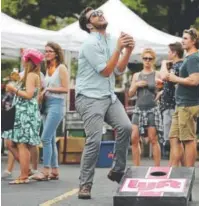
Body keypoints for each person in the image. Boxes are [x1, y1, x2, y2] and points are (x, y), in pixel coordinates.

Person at [76, 7, 134, 199]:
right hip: (89, 97)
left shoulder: (110, 39)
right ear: (89, 24)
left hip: (108, 96)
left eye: (100, 12)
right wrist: (119, 48)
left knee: (126, 127)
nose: (99, 14)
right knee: (94, 140)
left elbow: (118, 70)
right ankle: (85, 184)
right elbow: (105, 72)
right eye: (94, 15)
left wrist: (128, 50)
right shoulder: (89, 44)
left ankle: (117, 170)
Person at [161, 28, 199, 167]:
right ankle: (173, 171)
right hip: (181, 104)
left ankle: (188, 173)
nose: (182, 40)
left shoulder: (193, 58)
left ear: (194, 41)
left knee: (188, 140)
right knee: (173, 137)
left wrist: (175, 78)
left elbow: (194, 80)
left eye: (185, 38)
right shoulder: (189, 58)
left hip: (188, 104)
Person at [4, 48, 44, 184]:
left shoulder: (32, 76)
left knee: (22, 144)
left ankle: (23, 175)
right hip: (23, 112)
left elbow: (29, 95)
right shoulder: (31, 75)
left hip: (25, 113)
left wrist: (13, 89)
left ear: (28, 61)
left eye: (24, 58)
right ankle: (26, 171)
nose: (22, 60)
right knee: (14, 143)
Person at [32, 42, 69, 181]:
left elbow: (66, 89)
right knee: (51, 139)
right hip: (46, 104)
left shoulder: (62, 68)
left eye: (49, 51)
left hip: (57, 105)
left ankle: (45, 170)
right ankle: (55, 170)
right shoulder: (47, 68)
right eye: (45, 51)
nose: (46, 53)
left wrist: (47, 89)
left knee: (45, 138)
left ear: (56, 53)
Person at [128, 48, 162, 166]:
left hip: (152, 109)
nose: (147, 61)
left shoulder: (157, 74)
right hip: (139, 109)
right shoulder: (137, 75)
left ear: (153, 60)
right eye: (145, 58)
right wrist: (136, 85)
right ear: (142, 60)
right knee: (134, 138)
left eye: (150, 58)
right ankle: (136, 167)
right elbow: (130, 94)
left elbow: (165, 89)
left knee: (153, 139)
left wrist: (159, 92)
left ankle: (157, 168)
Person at [157, 42, 184, 159]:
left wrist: (163, 64)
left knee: (172, 140)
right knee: (176, 140)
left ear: (174, 53)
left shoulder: (177, 66)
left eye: (169, 52)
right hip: (173, 105)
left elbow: (163, 76)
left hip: (171, 106)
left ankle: (174, 168)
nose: (168, 54)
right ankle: (182, 169)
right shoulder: (180, 66)